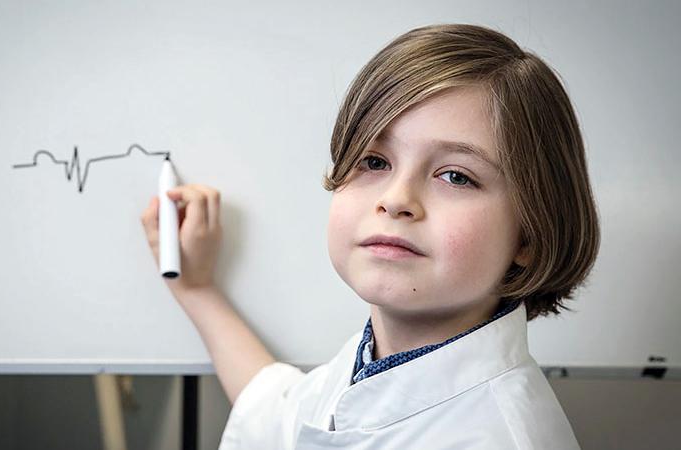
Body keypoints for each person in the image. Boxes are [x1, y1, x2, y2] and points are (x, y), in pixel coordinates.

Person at [141, 23, 600, 449]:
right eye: (374, 161)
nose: (396, 198)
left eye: (456, 176)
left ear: (530, 235)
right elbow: (280, 414)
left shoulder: (497, 436)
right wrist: (196, 288)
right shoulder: (372, 364)